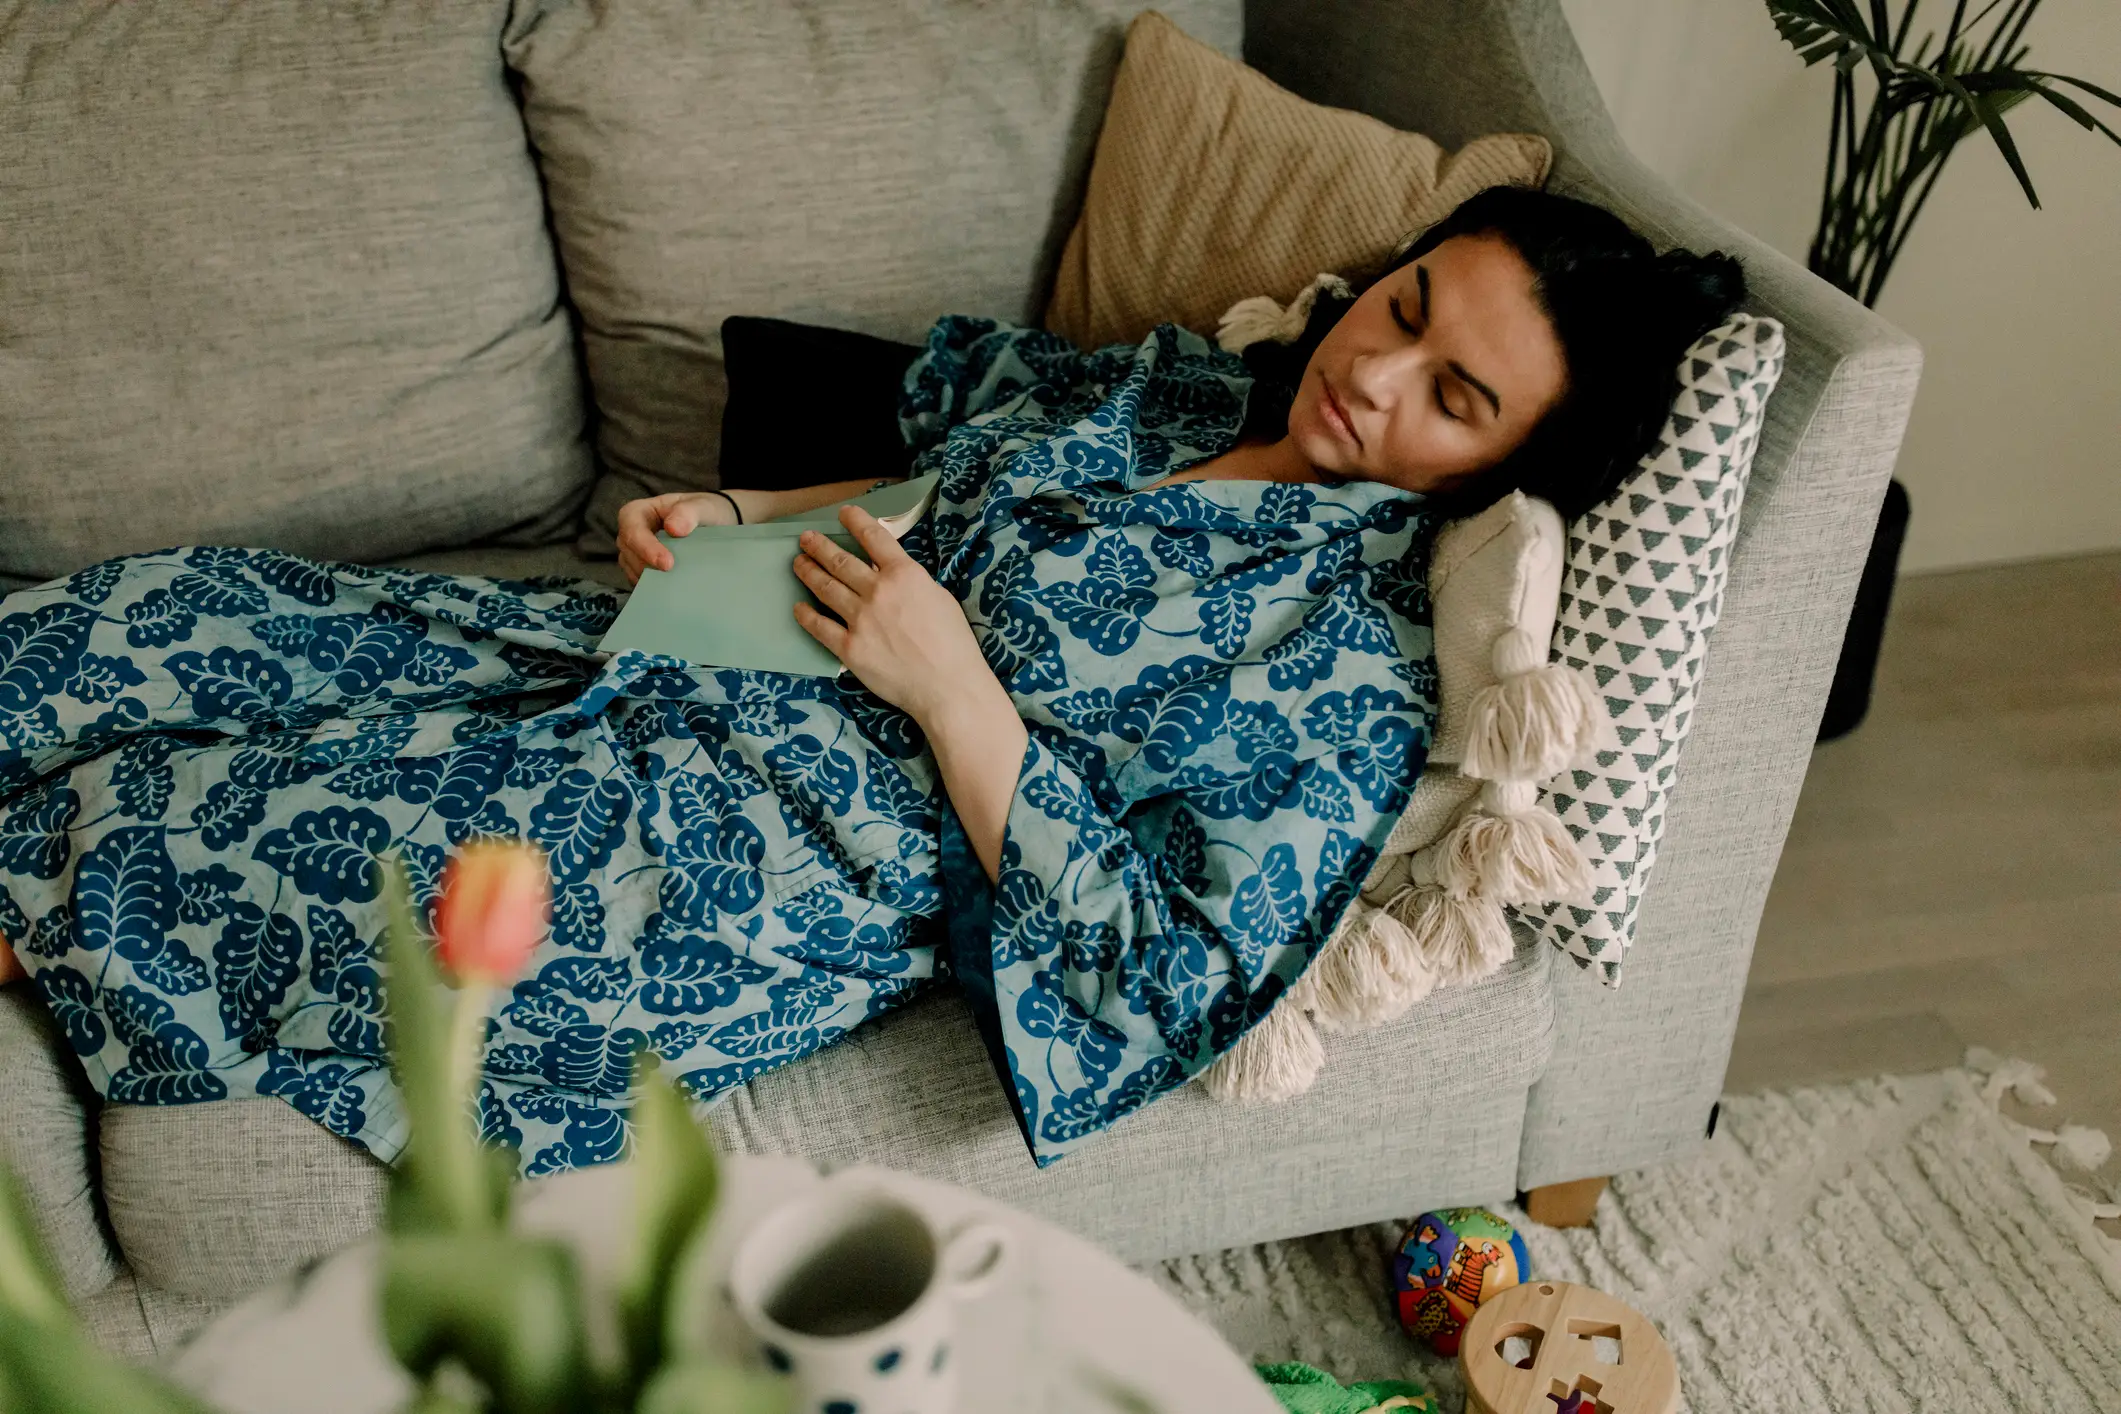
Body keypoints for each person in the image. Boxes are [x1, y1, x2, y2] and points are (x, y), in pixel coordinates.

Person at [0, 188, 1741, 1171]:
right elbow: (938, 493)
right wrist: (740, 512)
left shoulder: (1347, 667)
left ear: (1503, 468)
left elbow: (1162, 972)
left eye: (1456, 396)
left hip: (758, 856)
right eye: (1408, 309)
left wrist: (952, 687)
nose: (1378, 373)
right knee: (197, 615)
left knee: (254, 838)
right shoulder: (1185, 399)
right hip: (688, 649)